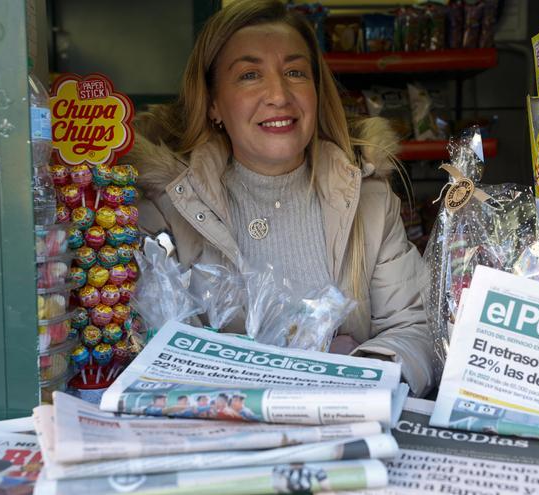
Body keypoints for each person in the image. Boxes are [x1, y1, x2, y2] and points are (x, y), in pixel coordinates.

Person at [132, 0, 433, 396]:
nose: (279, 94)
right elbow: (142, 339)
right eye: (250, 75)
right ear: (213, 103)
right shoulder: (167, 205)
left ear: (316, 93)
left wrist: (363, 375)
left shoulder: (370, 199)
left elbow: (416, 325)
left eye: (295, 72)